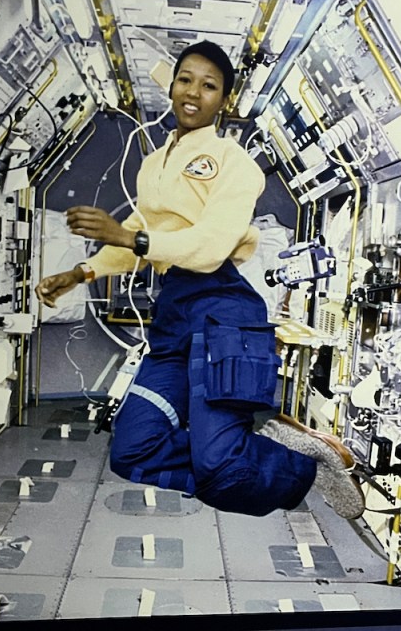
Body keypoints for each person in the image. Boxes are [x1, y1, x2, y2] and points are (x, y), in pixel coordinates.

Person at [36, 41, 365, 519]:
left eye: (209, 86)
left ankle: (306, 464)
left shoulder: (235, 164)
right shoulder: (154, 166)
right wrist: (80, 272)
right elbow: (134, 231)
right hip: (174, 315)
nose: (193, 92)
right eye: (185, 79)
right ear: (171, 85)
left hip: (222, 309)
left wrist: (137, 243)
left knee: (220, 467)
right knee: (133, 452)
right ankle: (258, 454)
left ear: (224, 101)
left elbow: (209, 247)